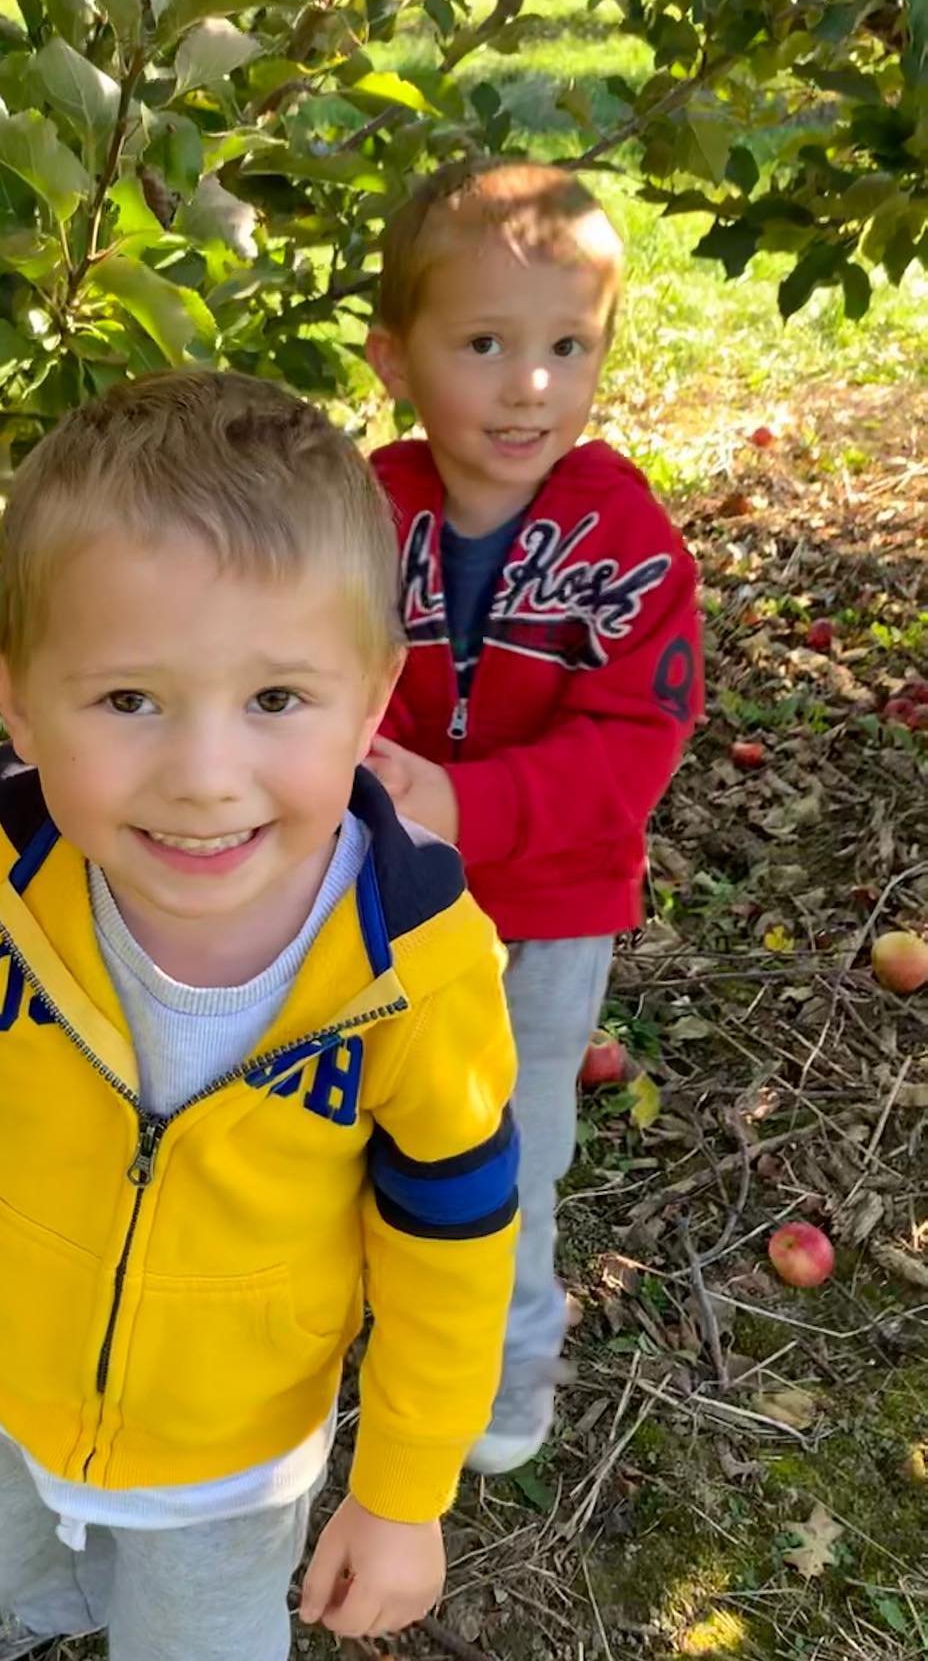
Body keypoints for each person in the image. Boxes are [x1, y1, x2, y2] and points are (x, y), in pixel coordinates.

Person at [0, 371, 521, 1661]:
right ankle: (25, 1605)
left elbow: (454, 1238)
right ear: (17, 701)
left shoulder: (418, 974)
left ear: (372, 701)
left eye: (276, 701)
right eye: (129, 700)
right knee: (9, 1533)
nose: (205, 778)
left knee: (196, 1639)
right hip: (4, 1351)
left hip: (232, 1442)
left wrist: (404, 1490)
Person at [364, 162, 703, 1475]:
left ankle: (508, 1364)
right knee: (381, 1115)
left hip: (548, 915)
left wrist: (467, 802)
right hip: (384, 889)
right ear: (397, 360)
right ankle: (385, 1315)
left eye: (570, 346)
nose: (531, 387)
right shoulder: (359, 513)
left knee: (511, 1153)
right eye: (487, 344)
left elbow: (632, 747)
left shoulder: (625, 545)